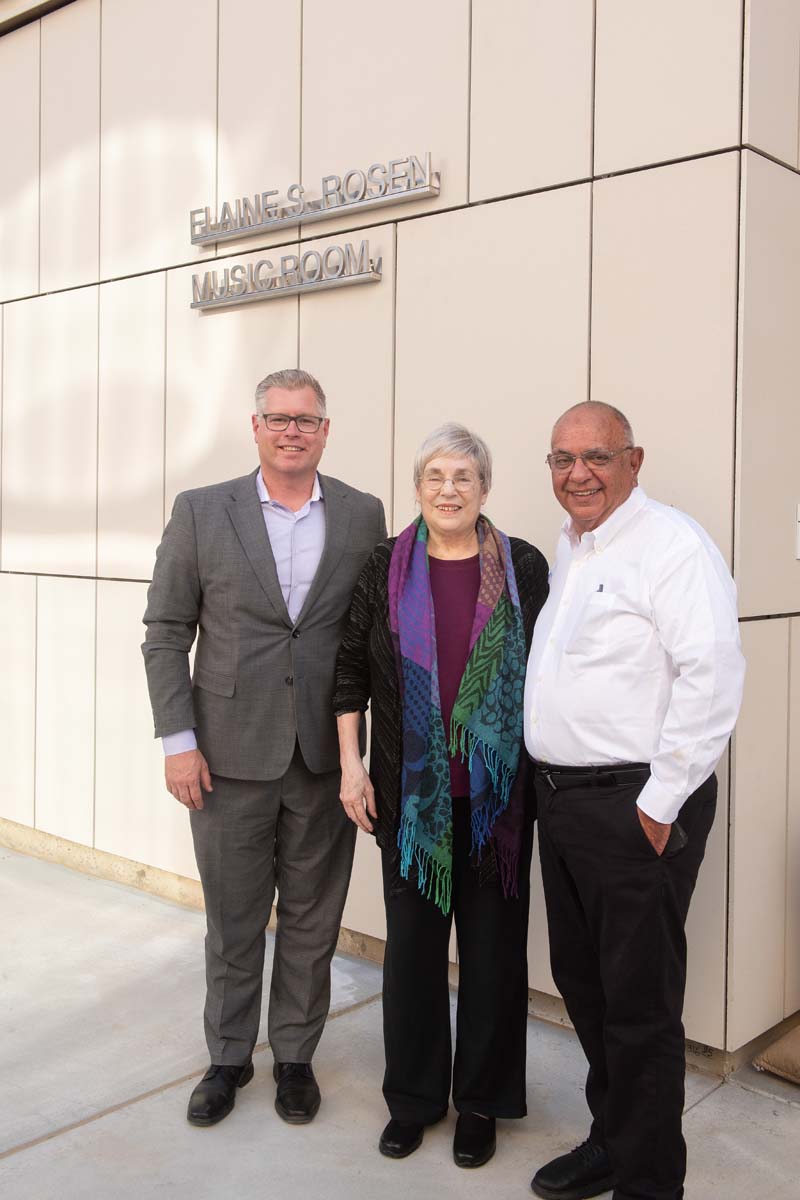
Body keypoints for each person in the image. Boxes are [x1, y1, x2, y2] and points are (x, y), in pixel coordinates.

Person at [142, 368, 386, 1129]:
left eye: (305, 420)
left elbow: (367, 635)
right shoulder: (201, 510)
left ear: (325, 431)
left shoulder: (361, 513)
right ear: (255, 427)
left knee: (313, 920)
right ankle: (227, 1057)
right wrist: (179, 742)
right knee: (234, 917)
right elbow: (166, 632)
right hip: (226, 756)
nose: (291, 432)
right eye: (278, 418)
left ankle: (295, 1059)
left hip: (324, 758)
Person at [524, 401, 745, 1200]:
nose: (578, 473)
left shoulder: (671, 545)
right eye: (563, 459)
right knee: (587, 987)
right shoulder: (575, 546)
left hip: (634, 804)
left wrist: (658, 805)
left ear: (633, 460)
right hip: (565, 804)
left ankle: (651, 1183)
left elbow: (711, 676)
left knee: (640, 1006)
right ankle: (615, 1141)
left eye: (597, 456)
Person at [334, 423, 549, 1169]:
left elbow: (552, 673)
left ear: (485, 487)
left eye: (464, 476)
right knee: (413, 958)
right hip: (411, 801)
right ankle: (415, 1099)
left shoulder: (522, 566)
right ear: (418, 487)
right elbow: (349, 674)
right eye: (435, 476)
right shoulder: (384, 566)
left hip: (497, 806)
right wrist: (352, 767)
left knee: (494, 958)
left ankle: (481, 1102)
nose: (449, 490)